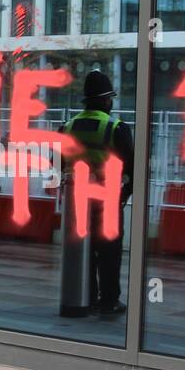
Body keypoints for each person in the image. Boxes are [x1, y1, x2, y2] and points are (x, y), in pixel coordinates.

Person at [61, 70, 135, 316]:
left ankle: (86, 296)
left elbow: (60, 164)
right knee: (110, 252)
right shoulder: (116, 127)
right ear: (106, 101)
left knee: (84, 250)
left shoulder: (68, 127)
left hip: (78, 200)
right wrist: (125, 195)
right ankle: (109, 300)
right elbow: (132, 167)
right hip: (108, 198)